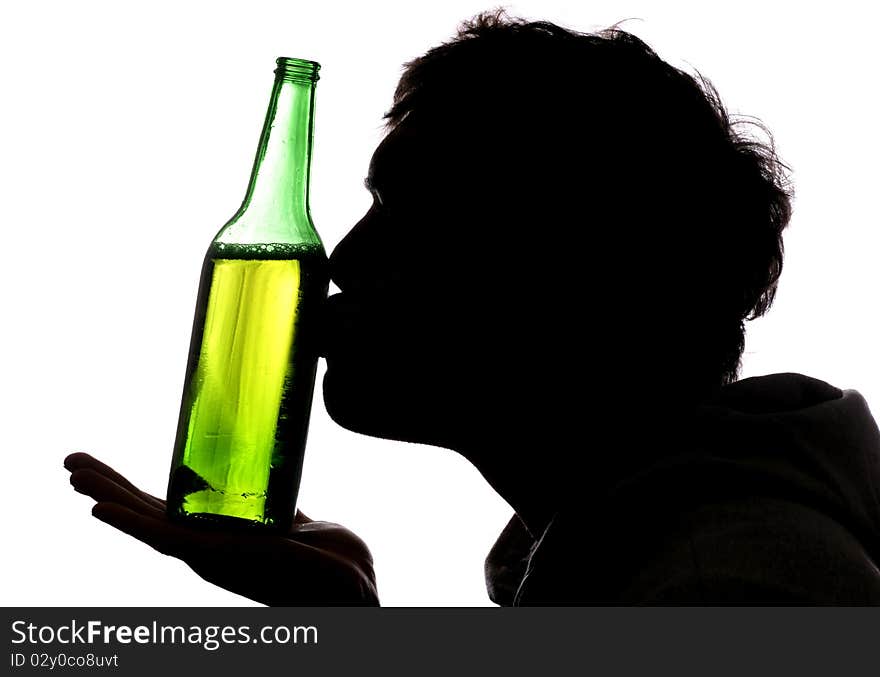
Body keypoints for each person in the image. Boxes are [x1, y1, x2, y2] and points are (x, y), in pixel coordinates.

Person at [65, 11, 880, 605]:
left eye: (410, 207)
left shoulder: (724, 590)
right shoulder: (635, 562)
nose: (342, 258)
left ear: (570, 263)